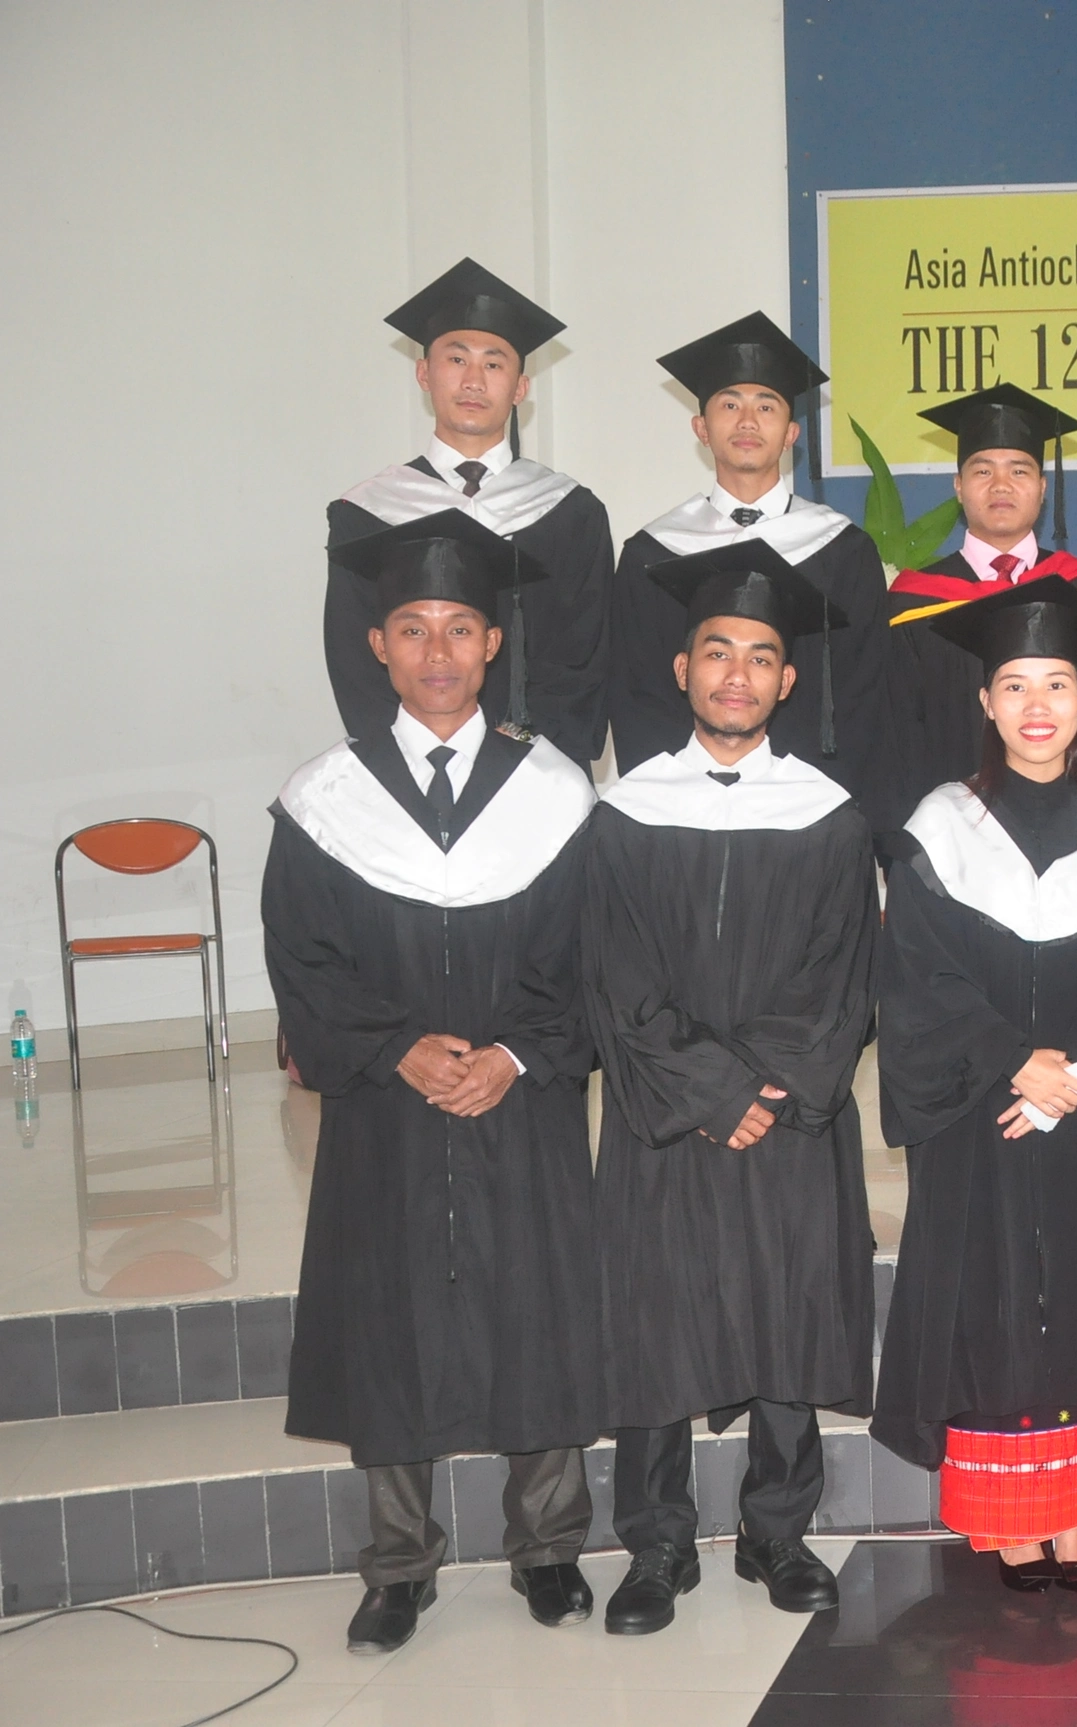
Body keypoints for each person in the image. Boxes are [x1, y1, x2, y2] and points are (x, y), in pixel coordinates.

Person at [266, 510, 602, 1654]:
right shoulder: (324, 801)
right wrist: (395, 1046)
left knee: (535, 1301)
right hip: (386, 1105)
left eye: (460, 626)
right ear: (378, 646)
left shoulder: (555, 793)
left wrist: (514, 1054)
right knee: (387, 1307)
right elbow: (303, 961)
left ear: (493, 642)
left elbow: (590, 955)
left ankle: (547, 1543)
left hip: (522, 1095)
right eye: (412, 628)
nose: (438, 651)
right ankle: (399, 1561)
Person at [585, 545, 879, 1635]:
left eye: (760, 657)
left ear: (786, 680)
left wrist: (766, 1086)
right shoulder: (622, 814)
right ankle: (656, 1542)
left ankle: (777, 1530)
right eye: (718, 652)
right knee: (653, 1314)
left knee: (787, 1305)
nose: (738, 674)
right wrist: (712, 1090)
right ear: (682, 669)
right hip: (666, 1117)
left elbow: (842, 981)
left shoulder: (830, 816)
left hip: (788, 1115)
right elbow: (613, 979)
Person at [870, 575, 1077, 1594]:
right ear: (986, 702)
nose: (1035, 704)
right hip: (982, 1108)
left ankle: (1074, 1508)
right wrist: (1017, 1059)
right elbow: (916, 973)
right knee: (992, 1302)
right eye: (1014, 685)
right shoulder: (938, 826)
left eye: (1055, 684)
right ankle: (1011, 1517)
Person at [605, 312, 891, 818]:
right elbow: (635, 696)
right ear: (701, 428)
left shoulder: (844, 552)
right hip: (680, 813)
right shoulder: (652, 553)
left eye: (766, 406)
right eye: (730, 404)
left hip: (806, 810)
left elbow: (864, 696)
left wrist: (815, 807)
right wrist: (673, 802)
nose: (747, 422)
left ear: (791, 433)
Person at [327, 258, 611, 766]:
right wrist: (408, 764)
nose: (474, 381)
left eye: (494, 364)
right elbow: (355, 660)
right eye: (456, 359)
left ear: (520, 388)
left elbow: (583, 659)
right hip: (411, 770)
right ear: (424, 373)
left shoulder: (570, 511)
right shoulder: (367, 512)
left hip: (538, 771)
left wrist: (525, 765)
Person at [884, 383, 1077, 826]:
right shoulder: (912, 603)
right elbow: (896, 737)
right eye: (982, 471)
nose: (1001, 485)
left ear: (1042, 488)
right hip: (946, 829)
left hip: (1073, 824)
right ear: (958, 487)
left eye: (1019, 471)